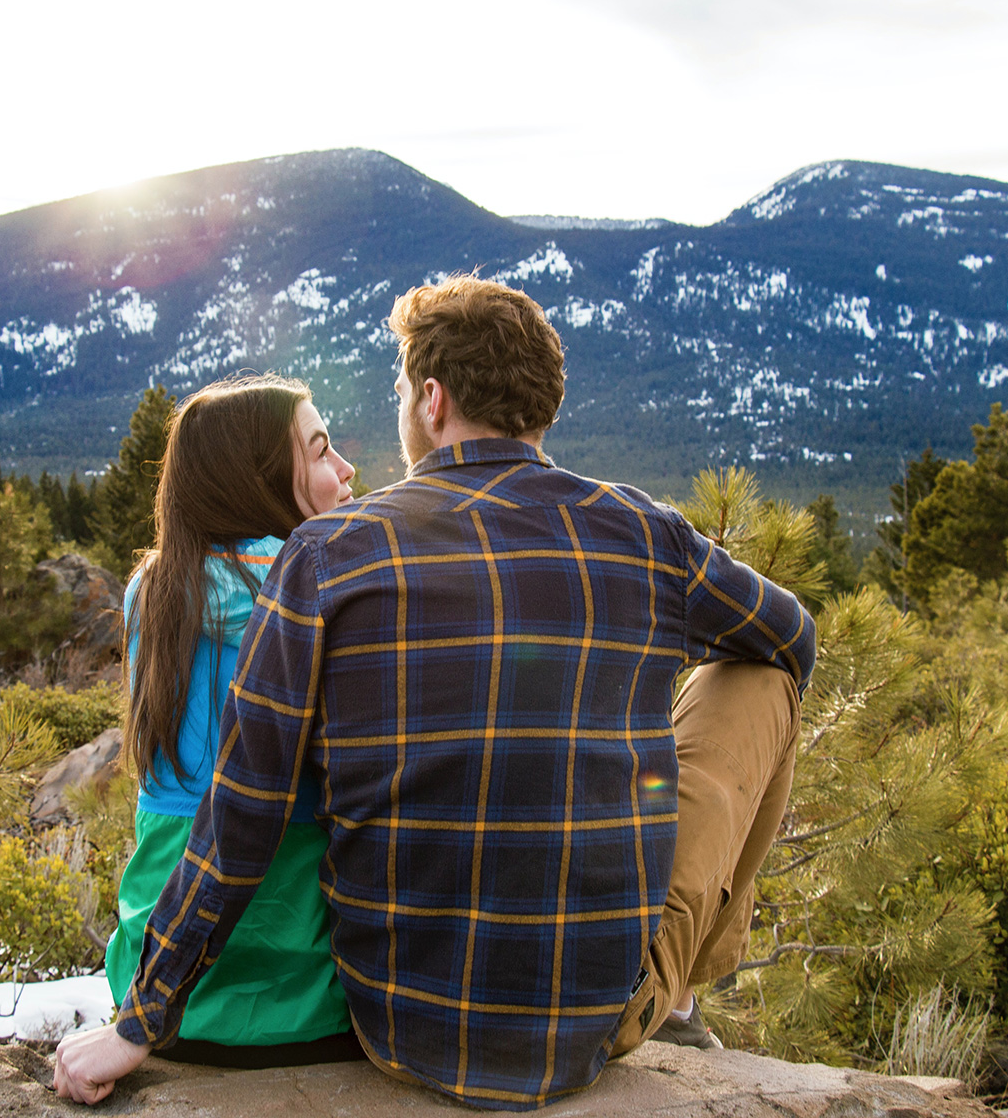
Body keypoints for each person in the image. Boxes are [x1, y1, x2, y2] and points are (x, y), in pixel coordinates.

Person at [54, 277, 816, 1110]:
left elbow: (243, 809)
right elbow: (792, 638)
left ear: (431, 398)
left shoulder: (326, 556)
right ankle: (687, 982)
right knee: (762, 673)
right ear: (541, 405)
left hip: (398, 1026)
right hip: (595, 1024)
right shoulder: (644, 532)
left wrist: (141, 1019)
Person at [103, 372, 359, 1067]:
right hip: (305, 999)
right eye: (320, 451)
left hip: (161, 997)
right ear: (263, 478)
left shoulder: (152, 590)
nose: (345, 470)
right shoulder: (326, 589)